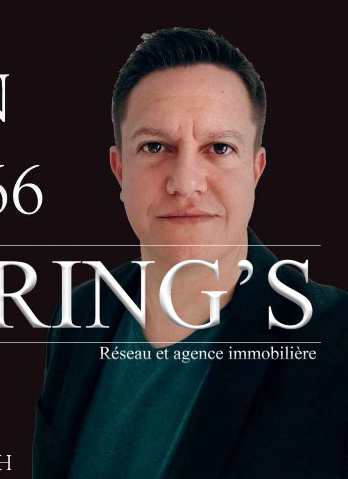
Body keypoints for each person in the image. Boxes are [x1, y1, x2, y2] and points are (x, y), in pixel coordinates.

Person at [32, 28, 347, 478]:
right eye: (155, 147)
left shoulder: (335, 342)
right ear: (119, 169)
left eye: (219, 148)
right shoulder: (79, 314)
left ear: (255, 169)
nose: (185, 182)